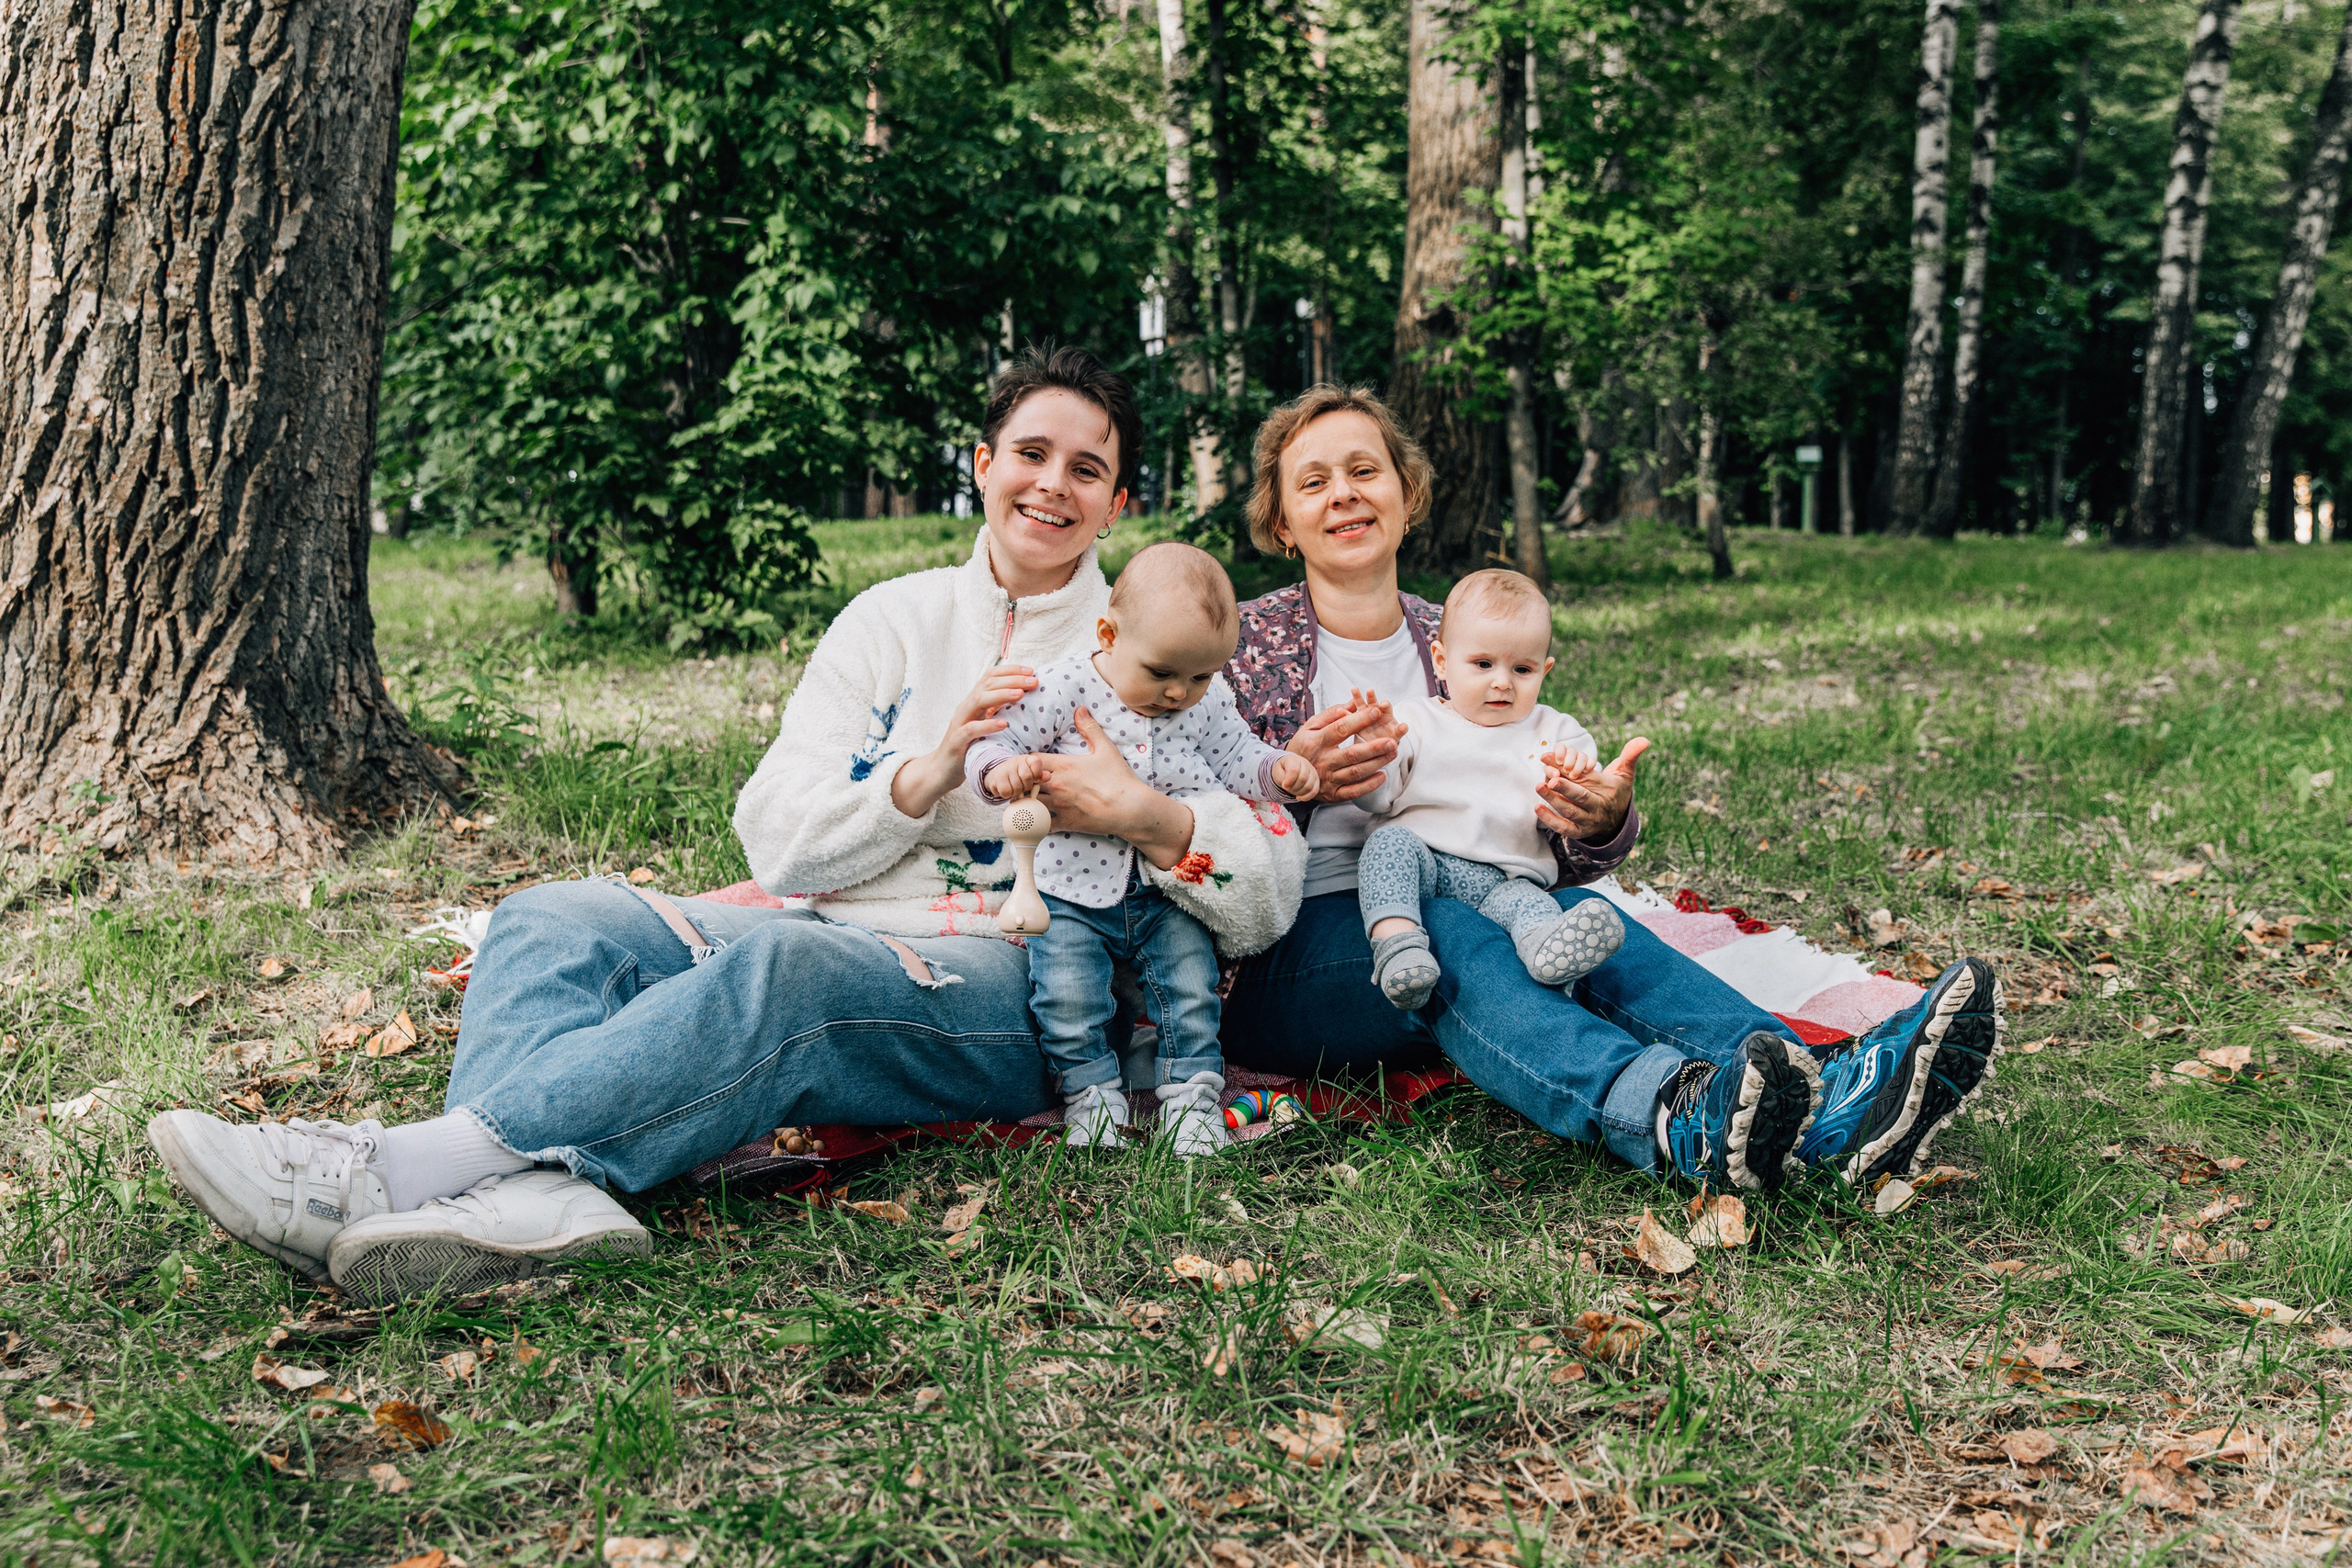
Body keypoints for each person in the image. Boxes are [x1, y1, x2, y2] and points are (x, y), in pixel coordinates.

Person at [145, 345, 1310, 1304]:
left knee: (790, 969)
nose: (1052, 485)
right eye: (1030, 454)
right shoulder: (888, 621)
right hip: (841, 918)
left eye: (1087, 469)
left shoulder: (1155, 646)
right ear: (982, 465)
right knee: (551, 919)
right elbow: (777, 839)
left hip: (1022, 983)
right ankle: (534, 1203)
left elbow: (1264, 887)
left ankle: (395, 1167)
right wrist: (920, 777)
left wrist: (1148, 819)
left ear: (1118, 502)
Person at [1216, 384, 2004, 1193]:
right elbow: (1183, 818)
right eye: (1314, 482)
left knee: (1581, 920)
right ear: (1282, 521)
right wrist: (1289, 782)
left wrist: (1599, 819)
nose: (1343, 494)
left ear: (1406, 492)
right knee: (1455, 924)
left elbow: (1539, 827)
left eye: (1364, 471)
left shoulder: (1467, 631)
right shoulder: (1239, 646)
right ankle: (1674, 1116)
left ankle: (1823, 1086)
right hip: (1296, 956)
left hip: (1474, 897)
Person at [970, 541, 1317, 1155]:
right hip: (1071, 889)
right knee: (1067, 994)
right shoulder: (1066, 685)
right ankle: (1090, 1097)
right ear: (1109, 634)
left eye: (1200, 676)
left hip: (1170, 888)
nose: (1179, 692)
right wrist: (1000, 769)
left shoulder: (1209, 700)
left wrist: (1278, 772)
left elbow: (1238, 756)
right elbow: (996, 739)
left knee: (1190, 991)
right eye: (1161, 673)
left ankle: (1191, 1099)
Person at [1353, 567, 1628, 1010]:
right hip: (1424, 863)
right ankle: (1399, 947)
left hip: (1505, 878)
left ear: (1544, 671)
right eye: (1483, 664)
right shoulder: (1416, 721)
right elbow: (1373, 799)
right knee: (1386, 849)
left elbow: (1584, 806)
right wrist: (1376, 754)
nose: (1502, 681)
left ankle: (1548, 950)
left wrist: (1578, 777)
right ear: (1441, 661)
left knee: (1531, 905)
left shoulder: (1557, 732)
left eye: (1522, 669)